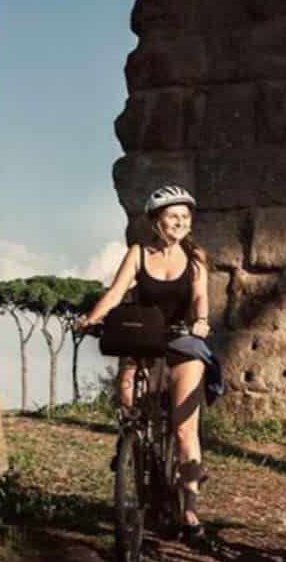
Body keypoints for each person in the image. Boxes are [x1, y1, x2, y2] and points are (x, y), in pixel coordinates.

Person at [81, 184, 211, 539]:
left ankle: (190, 511)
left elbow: (200, 299)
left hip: (183, 341)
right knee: (127, 400)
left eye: (185, 216)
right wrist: (92, 318)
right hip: (144, 337)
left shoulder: (196, 258)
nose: (180, 222)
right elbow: (116, 292)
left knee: (185, 429)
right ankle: (131, 450)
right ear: (156, 221)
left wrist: (201, 321)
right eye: (172, 216)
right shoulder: (138, 254)